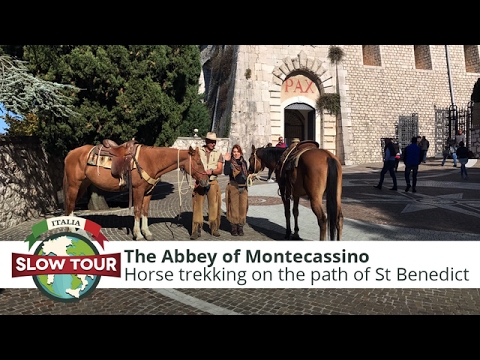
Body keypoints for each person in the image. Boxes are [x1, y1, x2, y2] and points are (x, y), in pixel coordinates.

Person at [190, 132, 224, 240]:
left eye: (214, 142)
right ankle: (196, 229)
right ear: (206, 141)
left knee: (214, 206)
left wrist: (212, 171)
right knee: (197, 206)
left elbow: (220, 169)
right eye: (211, 142)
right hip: (200, 182)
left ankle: (214, 228)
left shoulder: (218, 153)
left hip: (212, 182)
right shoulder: (198, 151)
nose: (213, 144)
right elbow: (192, 163)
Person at [223, 144, 251, 236]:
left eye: (237, 152)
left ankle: (240, 227)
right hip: (233, 186)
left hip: (243, 187)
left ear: (240, 152)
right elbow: (226, 172)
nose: (236, 153)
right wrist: (227, 161)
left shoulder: (244, 163)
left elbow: (246, 173)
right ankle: (234, 227)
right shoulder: (230, 162)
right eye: (234, 152)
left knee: (243, 207)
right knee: (234, 207)